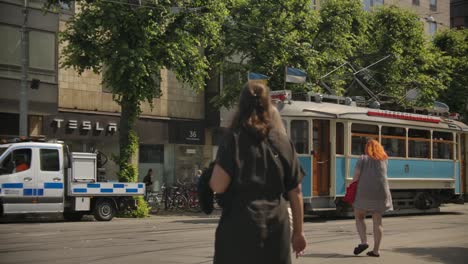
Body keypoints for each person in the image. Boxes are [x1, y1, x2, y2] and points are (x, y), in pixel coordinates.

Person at [209, 81, 307, 264]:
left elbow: (218, 185)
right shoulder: (283, 142)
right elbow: (296, 191)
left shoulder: (233, 139)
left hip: (239, 225)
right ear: (268, 104)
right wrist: (298, 233)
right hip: (276, 227)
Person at [352, 139, 393, 257]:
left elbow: (356, 176)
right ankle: (376, 251)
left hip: (364, 192)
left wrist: (351, 186)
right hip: (381, 193)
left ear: (367, 148)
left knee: (359, 216)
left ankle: (364, 242)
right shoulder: (384, 159)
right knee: (378, 222)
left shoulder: (362, 159)